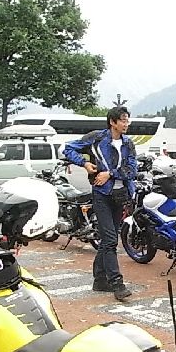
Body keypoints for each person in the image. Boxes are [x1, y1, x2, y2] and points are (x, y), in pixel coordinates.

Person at [63, 106, 137, 301]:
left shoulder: (128, 143)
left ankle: (99, 280)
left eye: (127, 120)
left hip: (121, 195)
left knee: (107, 240)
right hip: (102, 195)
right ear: (112, 122)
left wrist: (110, 174)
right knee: (111, 239)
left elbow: (132, 169)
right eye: (123, 120)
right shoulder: (97, 138)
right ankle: (117, 284)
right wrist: (84, 163)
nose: (126, 124)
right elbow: (68, 148)